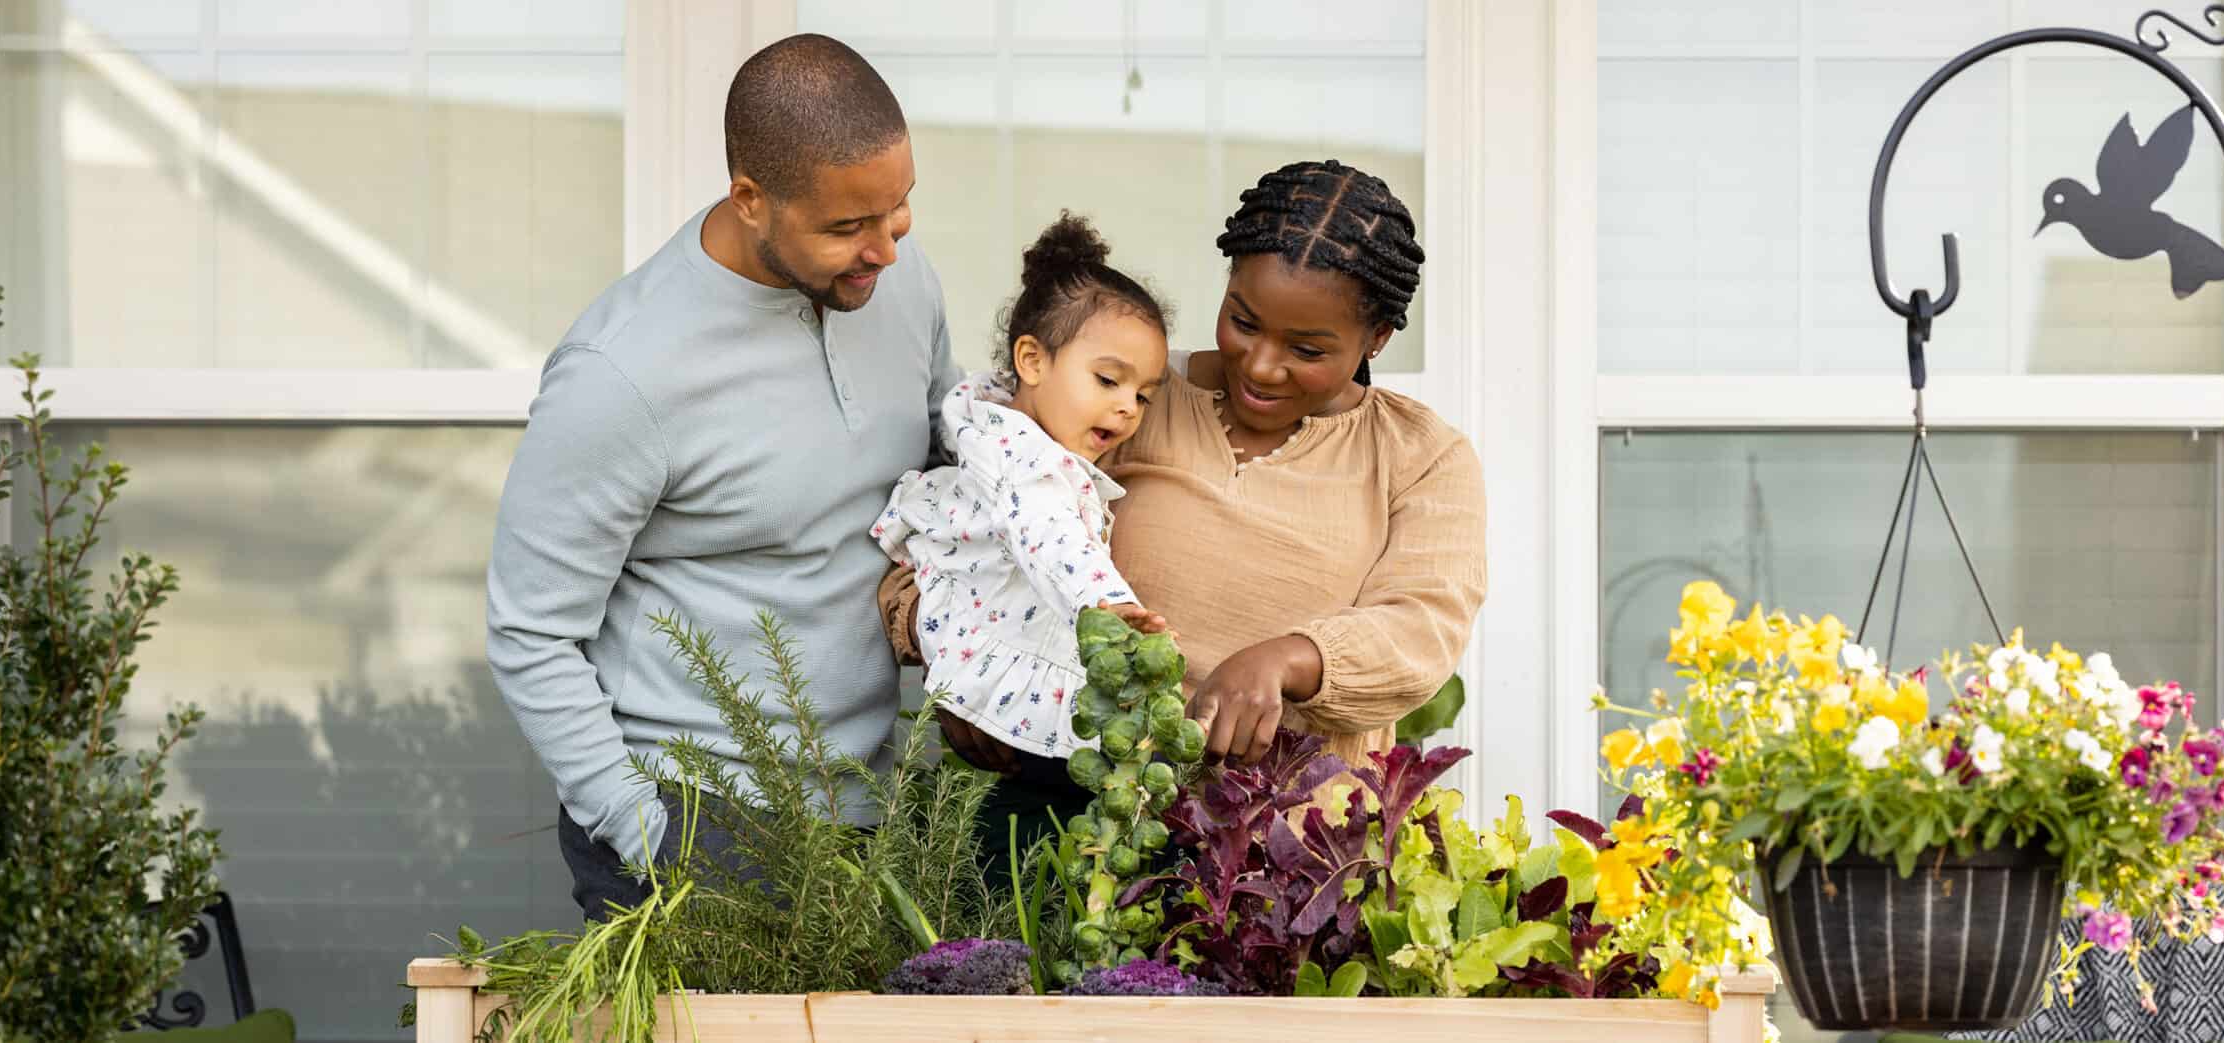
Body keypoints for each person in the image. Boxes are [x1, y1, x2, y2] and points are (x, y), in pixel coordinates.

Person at [487, 33, 959, 923]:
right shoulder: (621, 370)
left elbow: (945, 472)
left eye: (897, 209)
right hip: (693, 816)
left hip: (869, 802)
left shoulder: (901, 281)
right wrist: (645, 835)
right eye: (847, 226)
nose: (884, 251)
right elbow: (530, 633)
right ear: (751, 199)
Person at [884, 159, 1486, 777]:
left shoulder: (1420, 457)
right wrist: (957, 661)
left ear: (1378, 336)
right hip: (1086, 819)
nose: (1259, 366)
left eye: (1307, 350)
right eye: (1244, 322)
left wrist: (1285, 661)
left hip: (1288, 842)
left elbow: (1421, 629)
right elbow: (961, 523)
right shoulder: (1127, 397)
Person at [870, 213, 1174, 860]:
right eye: (1108, 380)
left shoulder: (1011, 432)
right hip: (987, 633)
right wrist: (1105, 606)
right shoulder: (1025, 462)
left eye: (1144, 395)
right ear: (1031, 360)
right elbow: (1050, 536)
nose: (1127, 408)